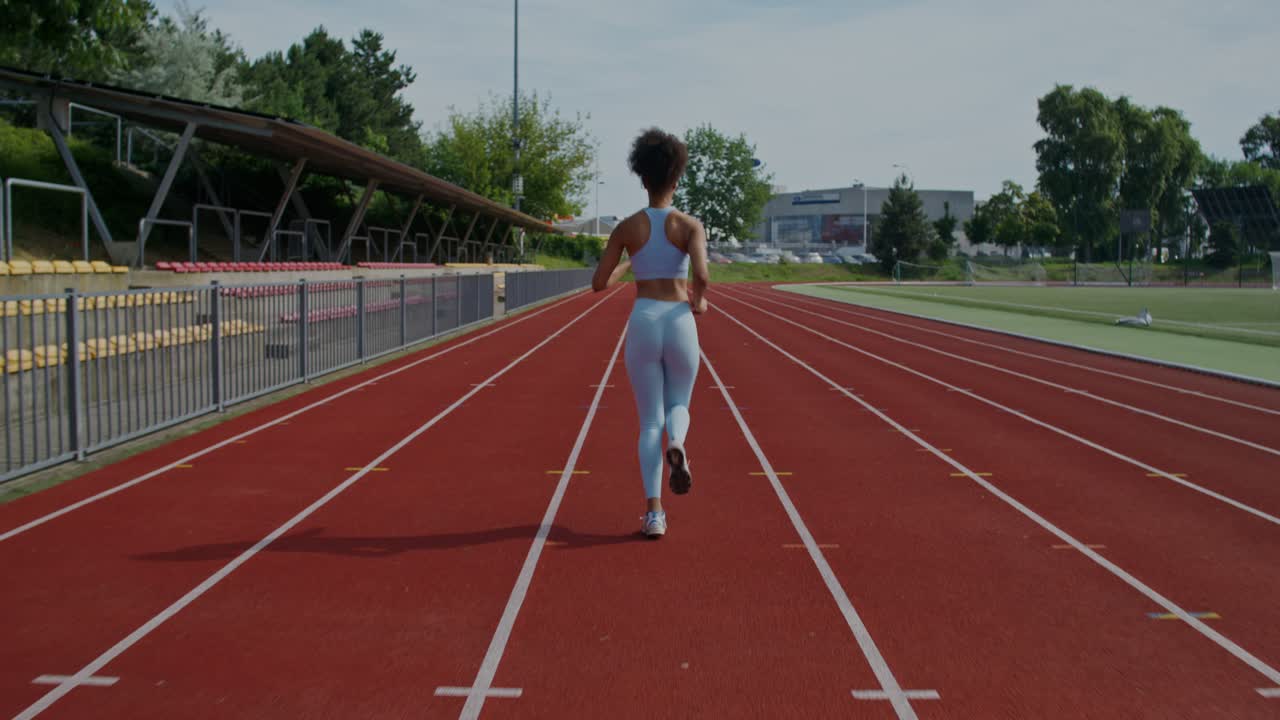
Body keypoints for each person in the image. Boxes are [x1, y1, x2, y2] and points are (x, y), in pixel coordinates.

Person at [592, 128, 710, 539]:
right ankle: (677, 442)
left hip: (644, 318)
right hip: (679, 319)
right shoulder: (689, 225)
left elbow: (599, 283)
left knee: (648, 421)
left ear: (643, 179)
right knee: (680, 403)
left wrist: (629, 263)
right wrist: (700, 301)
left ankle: (654, 513)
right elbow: (702, 275)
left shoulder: (627, 228)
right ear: (676, 178)